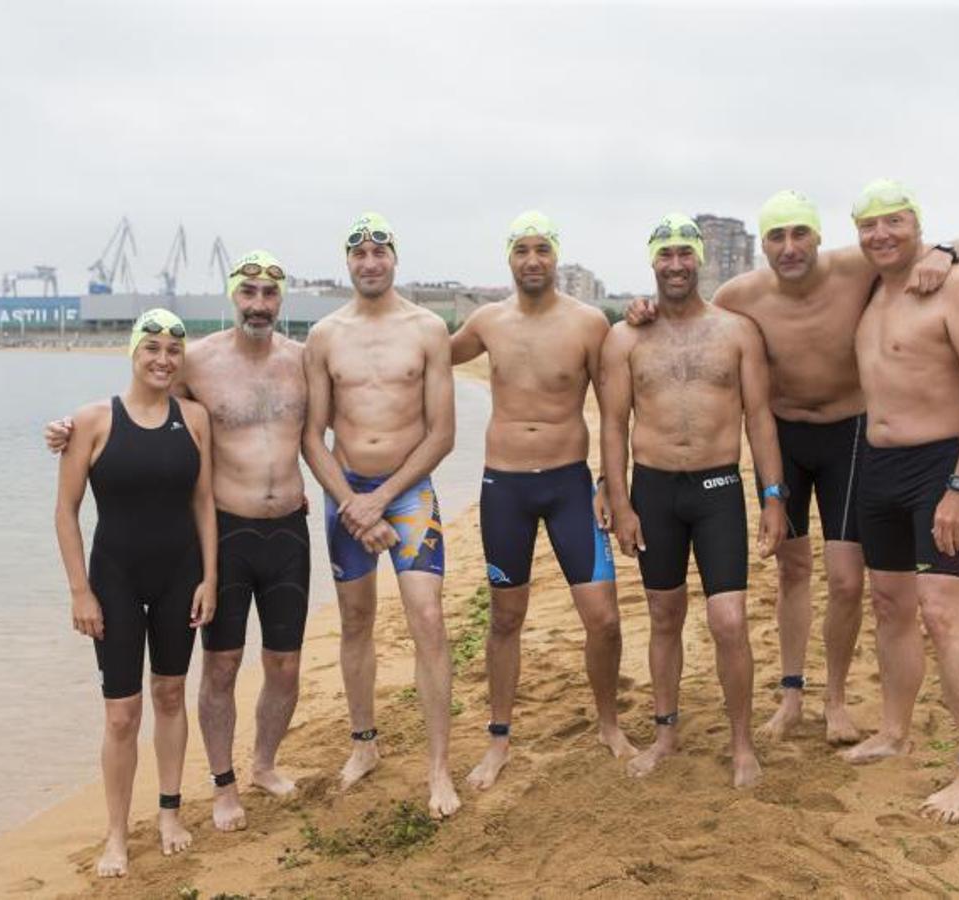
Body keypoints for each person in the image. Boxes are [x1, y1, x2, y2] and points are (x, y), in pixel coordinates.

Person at [626, 191, 959, 745]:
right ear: (763, 245)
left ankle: (835, 700)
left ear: (818, 236)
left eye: (800, 234)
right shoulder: (739, 295)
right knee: (792, 571)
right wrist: (643, 311)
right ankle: (791, 695)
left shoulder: (855, 266)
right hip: (784, 436)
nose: (790, 247)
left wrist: (945, 252)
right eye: (777, 236)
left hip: (850, 434)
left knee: (846, 581)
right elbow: (691, 322)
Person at [46, 251, 310, 833]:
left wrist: (354, 486)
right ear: (232, 295)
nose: (259, 303)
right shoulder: (192, 367)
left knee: (254, 673)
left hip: (261, 539)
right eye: (249, 291)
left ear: (281, 299)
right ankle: (182, 803)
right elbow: (76, 498)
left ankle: (237, 777)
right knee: (178, 686)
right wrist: (67, 428)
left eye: (270, 292)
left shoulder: (295, 364)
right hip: (178, 550)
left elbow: (335, 419)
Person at [600, 213, 786, 788]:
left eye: (686, 253)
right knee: (663, 615)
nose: (676, 264)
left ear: (699, 259)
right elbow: (612, 423)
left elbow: (759, 418)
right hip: (654, 490)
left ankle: (742, 744)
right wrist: (622, 500)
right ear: (652, 261)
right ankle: (665, 733)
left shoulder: (736, 332)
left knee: (729, 620)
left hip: (717, 487)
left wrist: (773, 497)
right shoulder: (625, 336)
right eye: (666, 254)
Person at [449, 211, 632, 791]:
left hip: (570, 485)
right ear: (510, 258)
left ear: (556, 257)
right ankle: (498, 738)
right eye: (523, 249)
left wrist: (609, 482)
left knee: (603, 619)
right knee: (505, 616)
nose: (533, 259)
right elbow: (425, 359)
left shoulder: (588, 323)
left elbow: (612, 410)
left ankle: (609, 723)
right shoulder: (486, 322)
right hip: (504, 487)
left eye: (542, 249)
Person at [846, 179, 959, 824]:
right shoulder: (867, 287)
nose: (881, 234)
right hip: (877, 465)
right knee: (889, 604)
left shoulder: (955, 286)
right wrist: (950, 246)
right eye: (869, 225)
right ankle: (893, 730)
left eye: (895, 221)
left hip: (943, 465)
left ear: (917, 223)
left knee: (944, 615)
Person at [302, 212, 461, 818]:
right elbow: (312, 437)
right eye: (359, 252)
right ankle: (364, 744)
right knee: (356, 621)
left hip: (409, 491)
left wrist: (379, 498)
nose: (370, 262)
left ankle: (438, 768)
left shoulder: (426, 329)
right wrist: (352, 501)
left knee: (428, 618)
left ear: (395, 258)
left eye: (380, 251)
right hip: (347, 493)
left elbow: (442, 434)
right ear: (348, 262)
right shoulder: (325, 335)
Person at [53, 309, 216, 876]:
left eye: (174, 349)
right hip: (114, 578)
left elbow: (203, 504)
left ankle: (169, 811)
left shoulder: (194, 419)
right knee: (122, 714)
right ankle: (117, 834)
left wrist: (210, 578)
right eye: (152, 348)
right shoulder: (92, 421)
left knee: (171, 695)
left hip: (179, 574)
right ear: (133, 352)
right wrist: (80, 591)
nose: (163, 359)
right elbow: (66, 513)